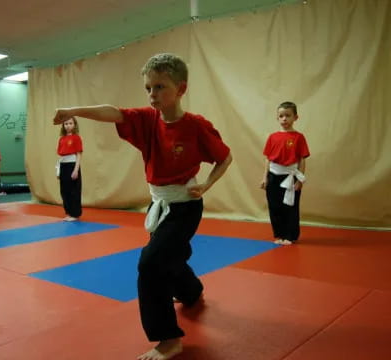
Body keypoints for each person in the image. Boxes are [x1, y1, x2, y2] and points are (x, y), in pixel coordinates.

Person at [54, 53, 232, 360]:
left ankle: (167, 339)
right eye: (149, 88)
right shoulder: (148, 120)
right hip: (159, 203)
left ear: (181, 88)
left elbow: (224, 158)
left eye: (160, 87)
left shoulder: (196, 126)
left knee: (150, 264)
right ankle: (190, 291)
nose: (153, 94)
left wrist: (208, 184)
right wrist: (73, 110)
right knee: (167, 257)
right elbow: (114, 113)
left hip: (186, 206)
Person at [260, 101, 310, 245]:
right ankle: (279, 235)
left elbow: (302, 159)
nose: (284, 119)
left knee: (290, 207)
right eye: (281, 116)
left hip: (290, 176)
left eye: (288, 116)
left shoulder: (299, 137)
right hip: (273, 176)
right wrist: (265, 177)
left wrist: (300, 180)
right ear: (277, 118)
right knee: (274, 206)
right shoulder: (272, 137)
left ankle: (290, 236)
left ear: (295, 117)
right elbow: (267, 159)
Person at [56, 116, 83, 221]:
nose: (68, 125)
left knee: (73, 190)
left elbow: (79, 154)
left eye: (70, 123)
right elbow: (60, 156)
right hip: (63, 165)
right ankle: (68, 212)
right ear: (63, 125)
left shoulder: (76, 138)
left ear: (74, 124)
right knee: (64, 190)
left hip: (72, 164)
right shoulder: (62, 139)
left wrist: (76, 169)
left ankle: (75, 214)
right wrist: (58, 170)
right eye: (66, 123)